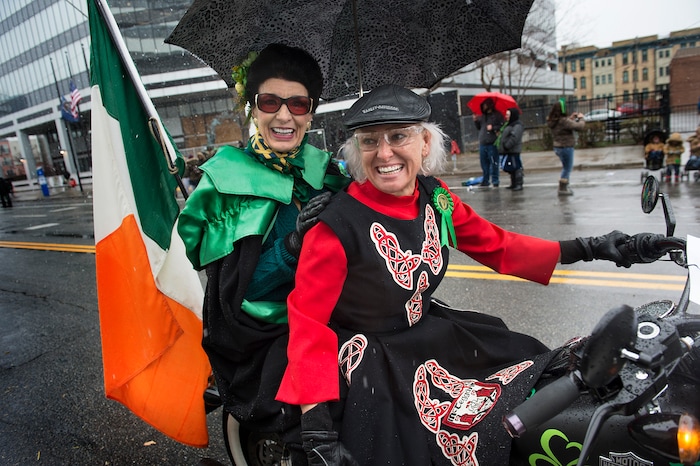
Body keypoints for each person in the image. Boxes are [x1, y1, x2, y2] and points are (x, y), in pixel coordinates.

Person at [275, 84, 665, 466]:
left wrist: (595, 247)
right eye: (370, 141)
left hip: (427, 337)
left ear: (425, 143)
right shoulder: (335, 225)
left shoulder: (434, 195)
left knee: (535, 384)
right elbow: (309, 323)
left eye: (398, 136)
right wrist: (317, 426)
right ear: (357, 151)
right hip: (370, 363)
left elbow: (500, 246)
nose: (384, 153)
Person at [176, 43, 350, 456]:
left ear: (311, 111)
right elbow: (241, 292)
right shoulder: (226, 180)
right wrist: (292, 246)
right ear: (253, 108)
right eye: (271, 101)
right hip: (269, 331)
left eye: (298, 103)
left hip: (340, 310)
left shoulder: (328, 171)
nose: (284, 115)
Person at [546, 99, 585, 196]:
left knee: (565, 166)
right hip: (566, 146)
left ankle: (564, 186)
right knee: (567, 168)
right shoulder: (563, 121)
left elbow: (564, 125)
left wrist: (570, 118)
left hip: (558, 146)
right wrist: (581, 119)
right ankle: (563, 188)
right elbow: (579, 127)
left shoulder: (553, 120)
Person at [473, 98, 504, 187]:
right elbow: (479, 127)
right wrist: (475, 121)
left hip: (492, 143)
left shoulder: (497, 115)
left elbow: (501, 126)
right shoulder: (483, 116)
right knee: (484, 163)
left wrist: (493, 127)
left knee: (494, 162)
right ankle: (485, 180)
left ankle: (495, 180)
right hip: (483, 143)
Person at [497, 107, 524, 190]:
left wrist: (507, 145)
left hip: (513, 150)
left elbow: (514, 138)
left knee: (516, 167)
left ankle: (518, 183)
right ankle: (513, 183)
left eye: (508, 114)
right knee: (511, 167)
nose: (506, 116)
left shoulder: (517, 125)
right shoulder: (509, 124)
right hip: (509, 151)